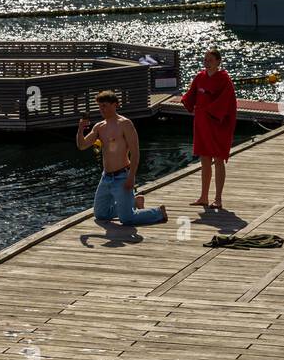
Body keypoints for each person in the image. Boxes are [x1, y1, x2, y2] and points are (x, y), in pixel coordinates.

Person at [77, 90, 167, 227]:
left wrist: (131, 177)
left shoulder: (125, 124)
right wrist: (80, 129)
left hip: (122, 176)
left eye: (105, 106)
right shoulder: (99, 127)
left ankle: (158, 212)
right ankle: (134, 202)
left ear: (115, 105)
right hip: (106, 177)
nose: (102, 109)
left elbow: (135, 153)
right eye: (100, 106)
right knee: (100, 214)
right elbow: (82, 145)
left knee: (127, 220)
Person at [181, 47, 238, 210]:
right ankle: (203, 197)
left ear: (218, 61)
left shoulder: (224, 79)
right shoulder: (200, 77)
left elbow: (227, 102)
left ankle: (218, 198)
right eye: (205, 60)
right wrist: (185, 100)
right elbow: (192, 94)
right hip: (201, 123)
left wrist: (211, 110)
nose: (207, 63)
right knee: (204, 159)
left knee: (218, 159)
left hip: (218, 123)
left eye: (210, 60)